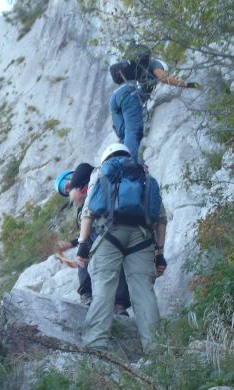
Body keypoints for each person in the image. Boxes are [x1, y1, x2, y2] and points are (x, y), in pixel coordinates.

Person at [76, 144, 167, 352]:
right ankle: (157, 350)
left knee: (103, 289)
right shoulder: (146, 176)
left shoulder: (101, 173)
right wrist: (159, 254)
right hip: (142, 238)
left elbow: (88, 211)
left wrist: (82, 244)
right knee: (144, 293)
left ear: (105, 159)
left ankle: (97, 345)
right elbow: (161, 218)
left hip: (109, 234)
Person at [55, 163, 131, 313]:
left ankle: (87, 295)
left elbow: (88, 234)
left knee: (84, 254)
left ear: (71, 185)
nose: (70, 197)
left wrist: (78, 246)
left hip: (110, 233)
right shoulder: (104, 188)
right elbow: (88, 232)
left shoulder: (91, 199)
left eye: (68, 190)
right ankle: (119, 304)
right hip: (125, 231)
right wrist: (71, 243)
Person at [108, 44, 200, 162]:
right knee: (133, 133)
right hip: (129, 97)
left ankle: (114, 164)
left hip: (115, 97)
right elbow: (162, 78)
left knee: (123, 136)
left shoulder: (138, 66)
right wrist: (188, 84)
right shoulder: (156, 63)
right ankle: (128, 166)